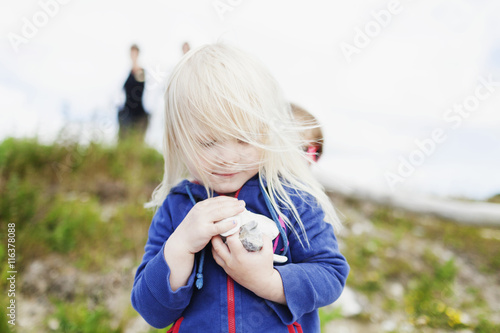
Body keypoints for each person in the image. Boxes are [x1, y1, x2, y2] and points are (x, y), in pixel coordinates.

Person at [131, 43, 349, 332]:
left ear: (267, 132)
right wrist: (181, 245)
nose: (228, 158)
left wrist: (268, 282)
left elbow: (330, 274)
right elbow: (151, 311)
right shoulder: (177, 207)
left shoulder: (293, 199)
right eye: (208, 142)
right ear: (178, 140)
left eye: (245, 140)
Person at [118, 44, 149, 141]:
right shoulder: (128, 73)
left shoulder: (141, 71)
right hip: (127, 114)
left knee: (137, 142)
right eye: (131, 53)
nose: (133, 55)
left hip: (139, 114)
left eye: (135, 53)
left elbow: (141, 86)